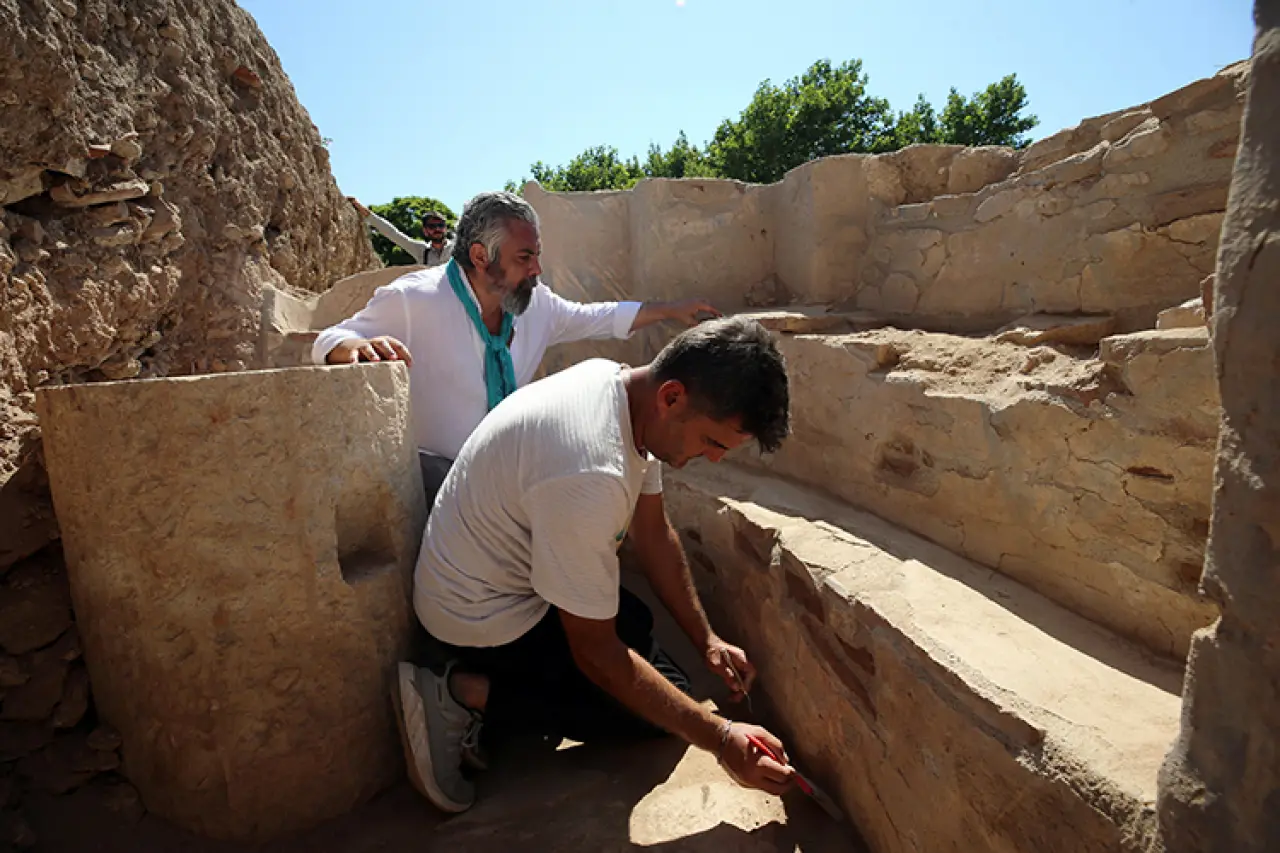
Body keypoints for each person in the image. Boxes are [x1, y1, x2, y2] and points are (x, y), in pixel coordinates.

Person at [394, 316, 795, 813]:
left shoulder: (625, 392)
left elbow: (653, 533)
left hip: (504, 582)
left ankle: (503, 690)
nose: (712, 459)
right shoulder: (590, 469)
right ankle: (460, 691)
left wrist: (706, 639)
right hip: (476, 621)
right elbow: (597, 654)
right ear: (673, 397)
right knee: (650, 715)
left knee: (651, 646)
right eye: (713, 442)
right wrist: (722, 739)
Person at [315, 191, 720, 502]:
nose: (537, 269)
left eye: (537, 255)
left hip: (507, 472)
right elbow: (328, 339)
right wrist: (354, 347)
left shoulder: (535, 304)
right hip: (433, 485)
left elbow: (597, 316)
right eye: (524, 257)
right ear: (480, 256)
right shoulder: (414, 300)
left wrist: (669, 310)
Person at [348, 197, 454, 267]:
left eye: (441, 225)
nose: (437, 229)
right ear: (425, 231)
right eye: (432, 226)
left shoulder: (457, 248)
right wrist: (363, 210)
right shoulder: (422, 251)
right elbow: (393, 234)